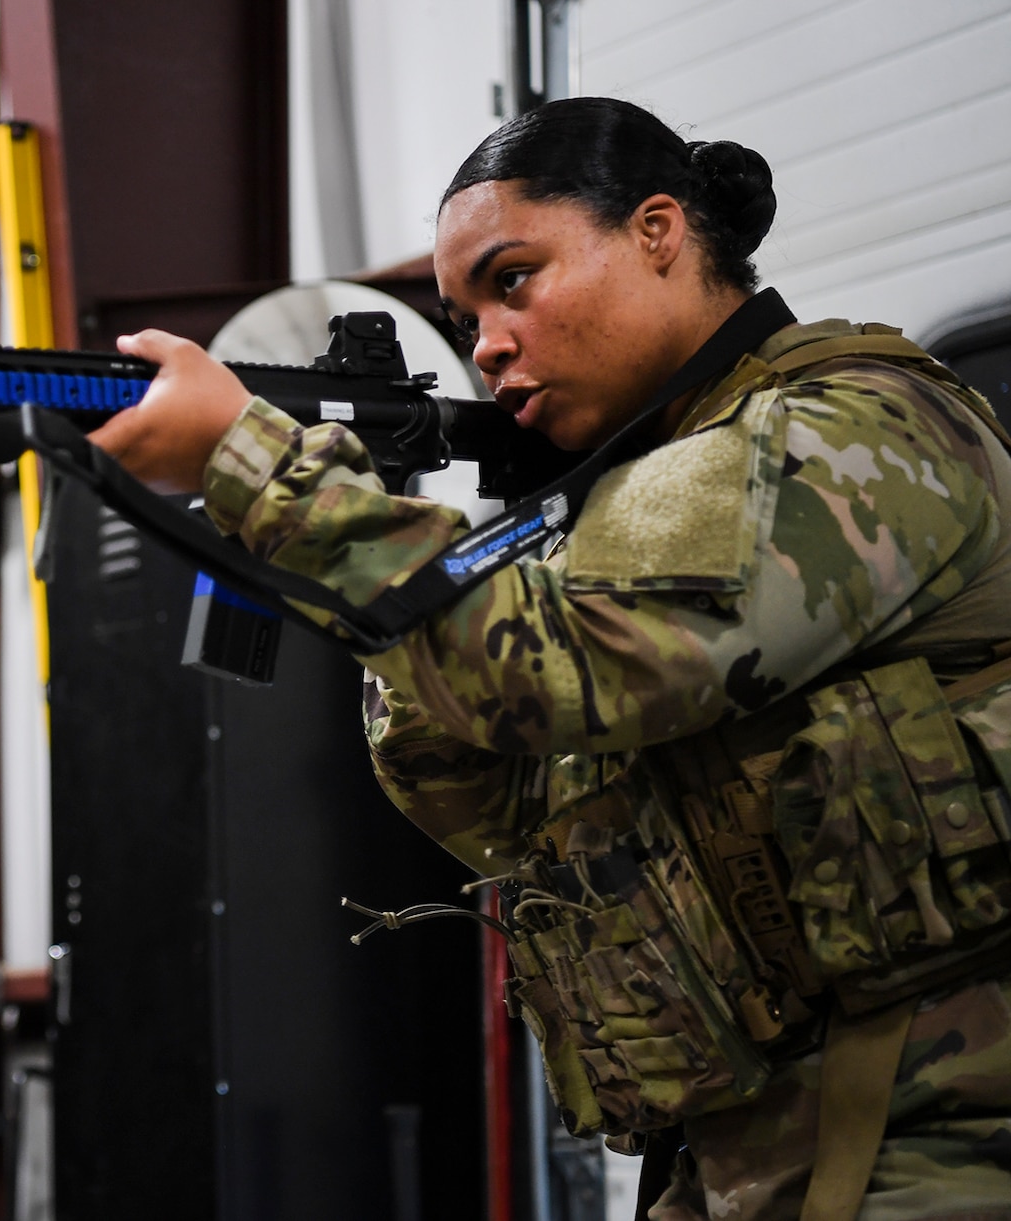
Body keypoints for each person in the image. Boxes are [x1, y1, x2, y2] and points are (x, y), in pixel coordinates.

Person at [91, 97, 1011, 1220]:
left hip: (937, 1143)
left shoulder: (850, 427)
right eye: (463, 313)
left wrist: (265, 473)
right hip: (743, 1155)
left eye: (511, 279)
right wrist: (398, 536)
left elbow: (565, 667)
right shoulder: (620, 501)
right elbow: (487, 799)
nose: (483, 343)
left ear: (657, 231)